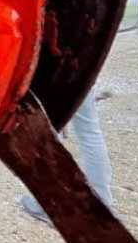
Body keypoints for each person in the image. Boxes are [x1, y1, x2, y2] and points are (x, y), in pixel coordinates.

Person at [21, 88, 113, 223]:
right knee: (89, 131)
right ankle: (101, 199)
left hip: (57, 75)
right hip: (84, 72)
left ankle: (50, 203)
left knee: (50, 131)